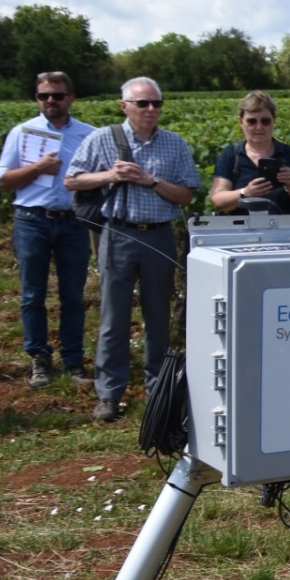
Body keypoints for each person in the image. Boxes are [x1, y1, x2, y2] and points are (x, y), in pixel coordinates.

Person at [64, 77, 201, 423]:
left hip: (158, 235)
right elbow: (73, 180)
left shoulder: (174, 144)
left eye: (157, 103)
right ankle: (109, 393)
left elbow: (187, 194)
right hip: (117, 233)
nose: (151, 109)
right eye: (143, 104)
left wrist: (151, 182)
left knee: (158, 315)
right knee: (113, 317)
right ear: (124, 106)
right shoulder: (101, 139)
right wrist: (110, 176)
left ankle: (158, 388)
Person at [0, 71, 93, 387]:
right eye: (44, 96)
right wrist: (39, 168)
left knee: (73, 295)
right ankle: (39, 358)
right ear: (37, 99)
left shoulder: (89, 135)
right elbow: (4, 180)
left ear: (71, 98)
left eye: (57, 95)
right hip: (32, 220)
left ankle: (73, 360)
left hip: (73, 222)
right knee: (33, 294)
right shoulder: (22, 132)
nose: (50, 101)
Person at [208, 91, 290, 215]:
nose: (259, 127)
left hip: (284, 230)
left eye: (265, 121)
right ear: (240, 122)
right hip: (242, 230)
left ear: (274, 121)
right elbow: (217, 200)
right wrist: (245, 192)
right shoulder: (231, 155)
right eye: (252, 121)